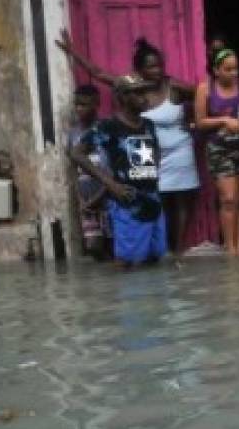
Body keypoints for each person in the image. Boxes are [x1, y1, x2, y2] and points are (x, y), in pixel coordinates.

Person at [55, 30, 199, 253]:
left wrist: (197, 123)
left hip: (173, 158)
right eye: (151, 67)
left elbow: (202, 94)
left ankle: (176, 249)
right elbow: (98, 73)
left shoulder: (172, 90)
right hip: (140, 170)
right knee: (144, 212)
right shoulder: (123, 102)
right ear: (139, 71)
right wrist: (73, 51)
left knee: (175, 206)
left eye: (159, 65)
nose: (157, 71)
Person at [68, 75, 166, 268]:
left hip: (153, 200)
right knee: (127, 262)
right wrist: (110, 184)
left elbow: (155, 152)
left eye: (144, 92)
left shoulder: (149, 124)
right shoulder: (108, 127)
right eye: (137, 93)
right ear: (122, 97)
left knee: (154, 258)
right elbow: (77, 153)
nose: (144, 97)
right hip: (127, 203)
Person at [195, 47, 239, 257]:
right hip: (219, 149)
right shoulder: (205, 89)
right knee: (228, 198)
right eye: (228, 69)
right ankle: (229, 246)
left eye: (236, 69)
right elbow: (200, 122)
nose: (233, 74)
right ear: (216, 70)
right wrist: (224, 120)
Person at [68, 84, 111, 259]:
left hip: (107, 197)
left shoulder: (106, 129)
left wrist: (100, 195)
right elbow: (73, 167)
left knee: (112, 244)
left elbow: (112, 169)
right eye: (77, 104)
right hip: (87, 200)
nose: (79, 109)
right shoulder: (73, 133)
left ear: (96, 104)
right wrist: (80, 198)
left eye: (84, 105)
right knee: (94, 248)